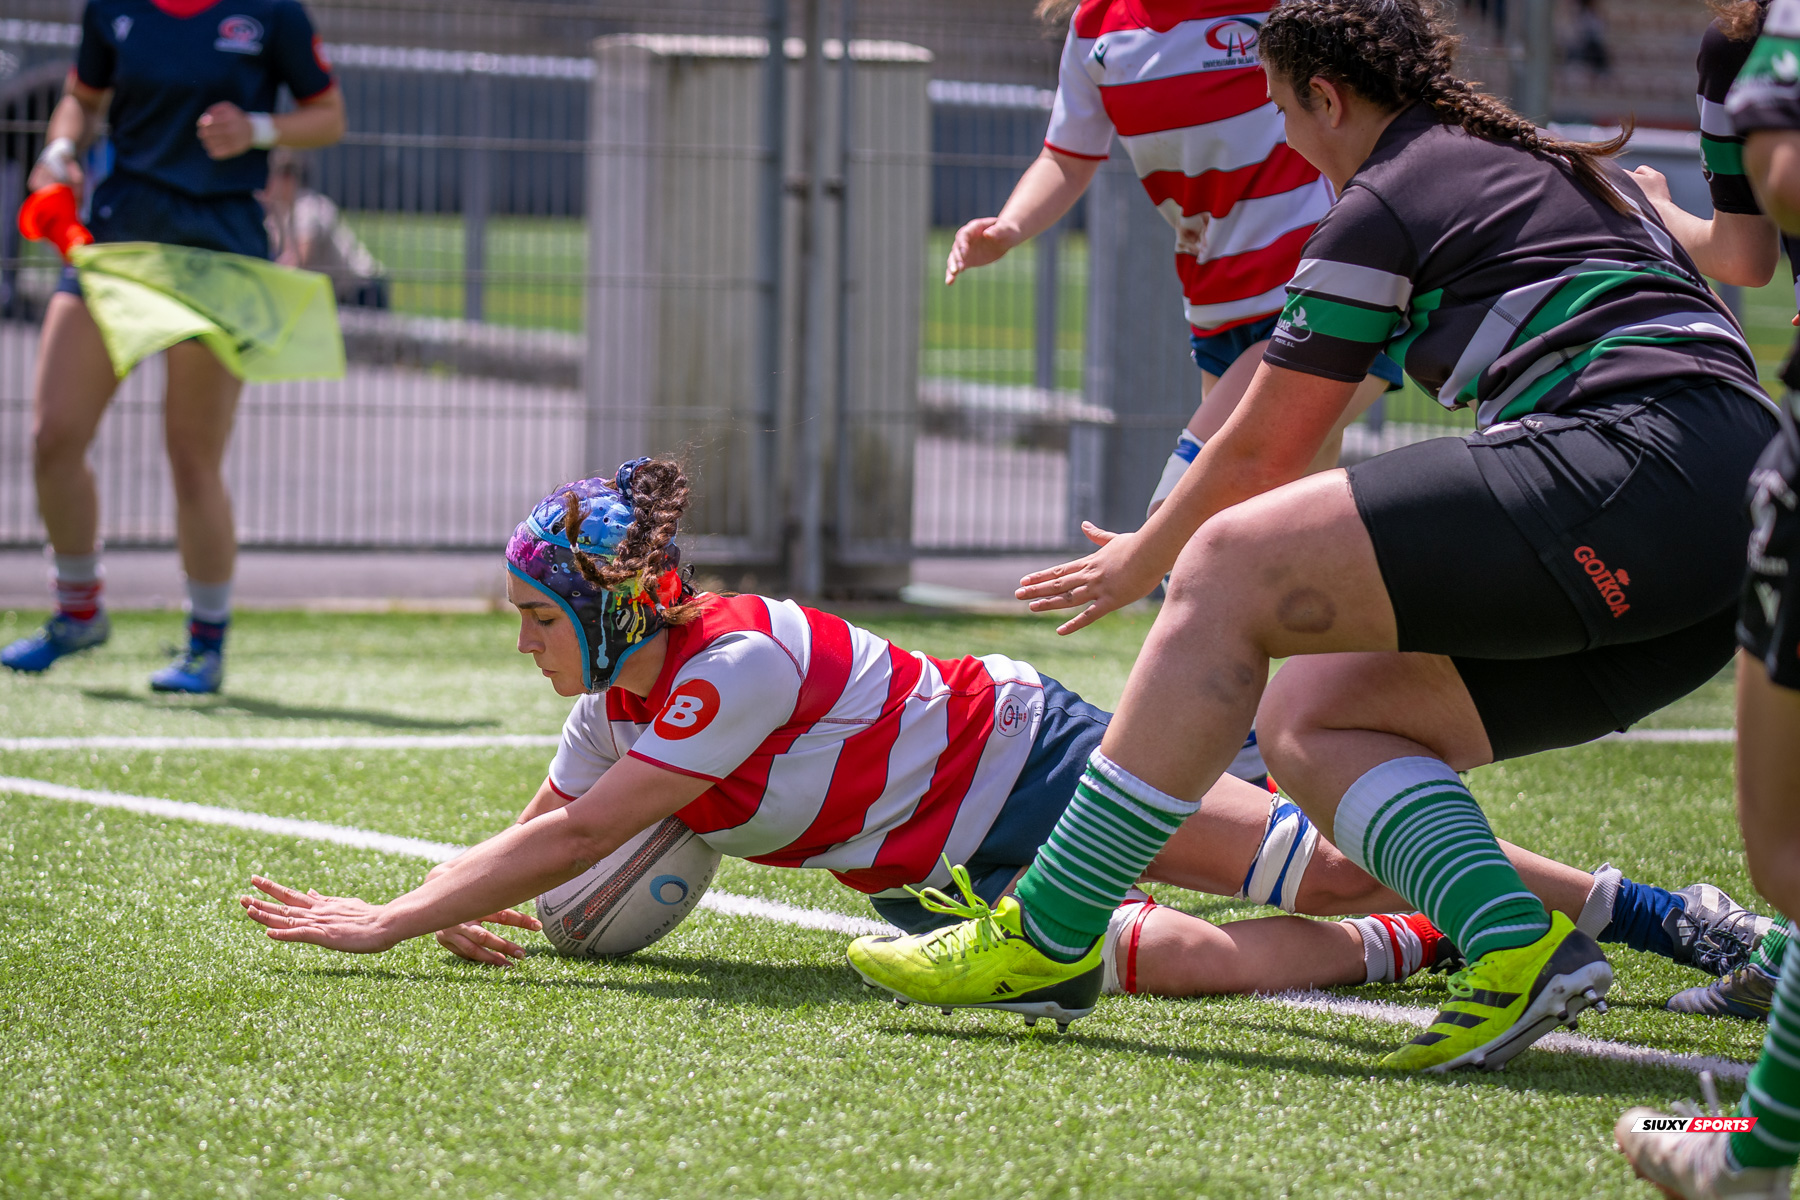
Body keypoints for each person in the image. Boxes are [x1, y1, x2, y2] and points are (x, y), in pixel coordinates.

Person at [846, 0, 1779, 1074]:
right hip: (1729, 543)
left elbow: (1261, 458)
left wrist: (1141, 558)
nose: (1286, 140)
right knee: (1314, 714)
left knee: (1226, 558)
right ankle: (1519, 949)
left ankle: (1049, 936)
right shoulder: (1528, 157)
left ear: (1326, 98)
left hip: (1638, 472)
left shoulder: (1385, 198)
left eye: (1284, 111)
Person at [234, 462, 1763, 1008]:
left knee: (1336, 859)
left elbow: (575, 841)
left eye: (532, 613)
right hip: (928, 874)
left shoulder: (730, 665)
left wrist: (391, 918)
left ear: (607, 603)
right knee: (1156, 963)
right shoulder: (618, 692)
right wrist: (450, 907)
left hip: (1028, 768)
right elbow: (546, 818)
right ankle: (1428, 950)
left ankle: (1654, 916)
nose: (521, 643)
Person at [944, 0, 1401, 531]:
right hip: (1217, 302)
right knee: (1281, 530)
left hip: (1325, 288)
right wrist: (1009, 228)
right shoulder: (1096, 28)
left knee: (1185, 511)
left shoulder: (1279, 9)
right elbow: (1065, 158)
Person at [0, 0, 346, 693]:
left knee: (192, 458)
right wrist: (60, 149)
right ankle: (78, 612)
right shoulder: (112, 8)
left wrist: (258, 127)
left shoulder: (271, 12)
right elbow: (81, 97)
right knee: (52, 435)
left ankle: (205, 642)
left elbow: (328, 116)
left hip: (218, 260)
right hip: (116, 250)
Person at [1615, 3, 1800, 1194]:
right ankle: (1762, 1148)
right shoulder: (1739, 51)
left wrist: (1658, 212)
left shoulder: (1757, 44)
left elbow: (1760, 219)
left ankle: (1758, 1159)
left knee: (1786, 855)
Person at [260, 148, 387, 309]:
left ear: (288, 179)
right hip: (333, 295)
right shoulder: (275, 214)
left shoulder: (309, 207)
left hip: (361, 292)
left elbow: (298, 262)